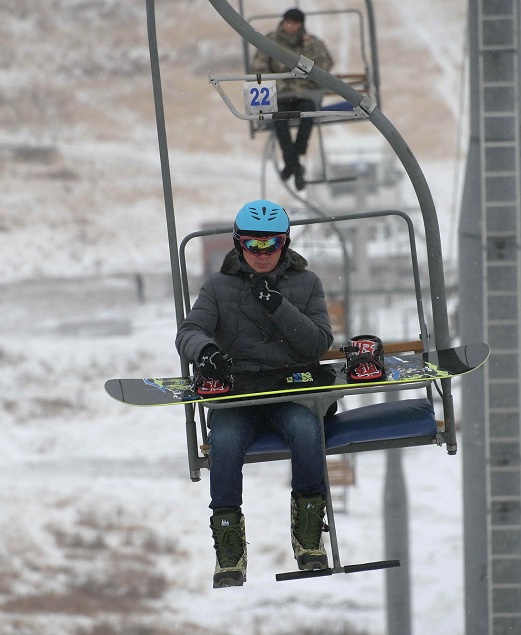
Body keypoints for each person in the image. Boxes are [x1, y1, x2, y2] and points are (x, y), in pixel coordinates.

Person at [175, 199, 334, 588]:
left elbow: (317, 344)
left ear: (286, 243)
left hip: (288, 388)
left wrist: (278, 305)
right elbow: (189, 332)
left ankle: (308, 535)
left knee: (306, 430)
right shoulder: (218, 287)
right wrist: (207, 352)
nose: (262, 255)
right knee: (225, 442)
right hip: (241, 390)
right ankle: (229, 549)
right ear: (236, 244)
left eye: (272, 245)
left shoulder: (306, 284)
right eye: (252, 245)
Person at [252, 8, 334, 191]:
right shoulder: (270, 42)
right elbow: (259, 67)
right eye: (288, 22)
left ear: (300, 25)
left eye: (295, 23)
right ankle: (296, 164)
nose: (290, 26)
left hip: (304, 93)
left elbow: (325, 65)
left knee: (308, 113)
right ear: (283, 22)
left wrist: (307, 75)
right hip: (281, 93)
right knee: (279, 118)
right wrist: (279, 84)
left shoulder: (312, 43)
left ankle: (291, 163)